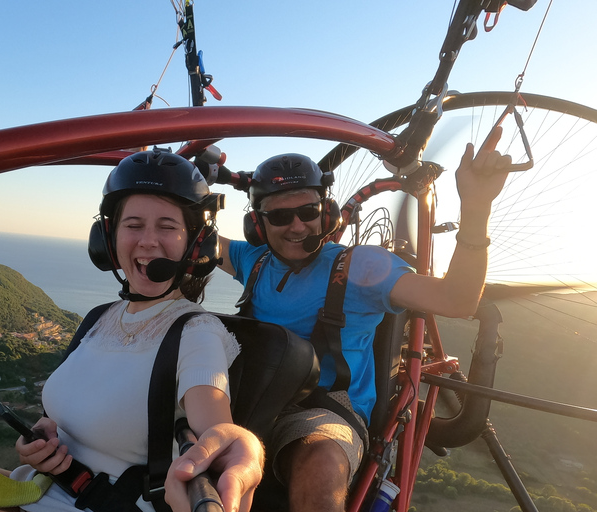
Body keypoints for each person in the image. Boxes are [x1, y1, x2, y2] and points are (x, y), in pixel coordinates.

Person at [0, 148, 259, 512]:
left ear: (195, 245)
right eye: (133, 225)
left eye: (167, 226)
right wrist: (40, 441)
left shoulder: (196, 332)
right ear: (107, 239)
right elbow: (69, 417)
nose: (147, 240)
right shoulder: (99, 318)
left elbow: (215, 434)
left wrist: (243, 450)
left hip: (98, 505)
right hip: (34, 486)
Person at [203, 127, 513, 512]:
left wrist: (477, 207)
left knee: (321, 465)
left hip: (320, 409)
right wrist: (182, 181)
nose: (297, 226)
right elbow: (189, 238)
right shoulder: (254, 260)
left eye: (308, 212)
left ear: (326, 213)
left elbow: (457, 299)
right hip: (247, 397)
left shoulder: (361, 266)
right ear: (258, 225)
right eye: (281, 216)